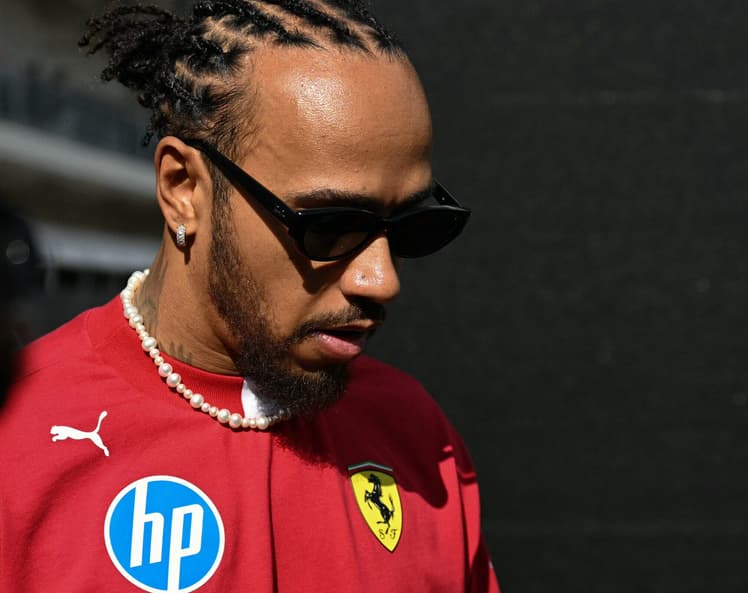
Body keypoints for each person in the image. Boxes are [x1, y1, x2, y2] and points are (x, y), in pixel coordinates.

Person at [0, 2, 499, 592]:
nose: (381, 278)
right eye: (330, 224)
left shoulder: (418, 437)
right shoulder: (18, 439)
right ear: (182, 187)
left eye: (415, 226)